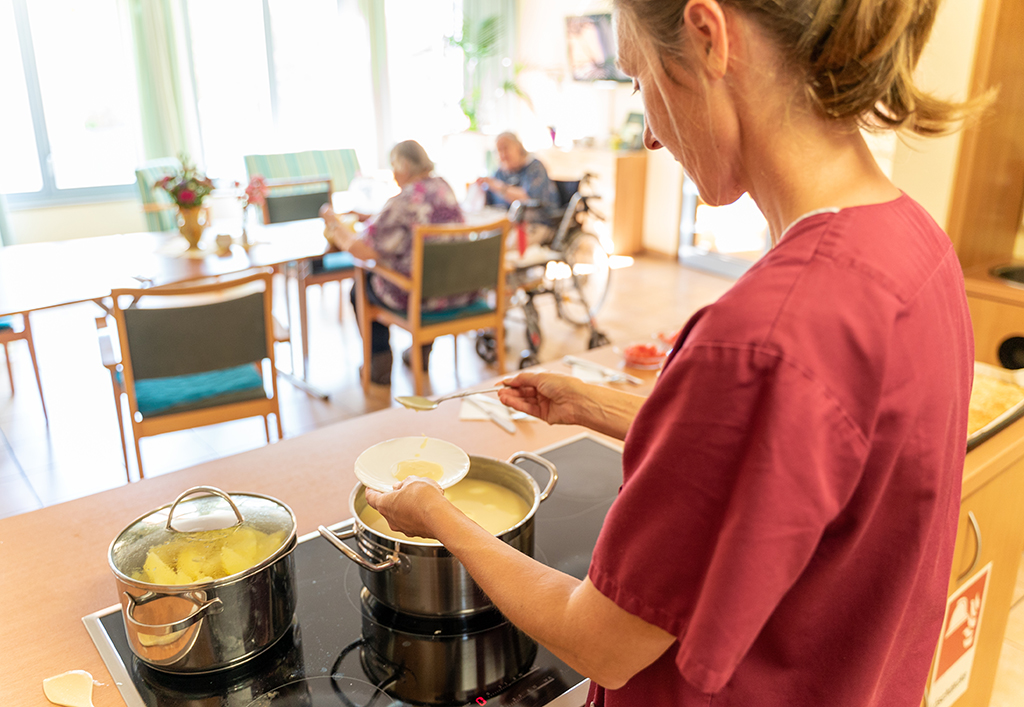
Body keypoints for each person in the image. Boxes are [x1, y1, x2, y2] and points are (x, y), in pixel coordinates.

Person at [365, 0, 981, 704]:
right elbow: (791, 461)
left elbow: (599, 640)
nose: (651, 133)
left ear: (708, 36)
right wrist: (598, 403)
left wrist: (438, 514)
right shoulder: (915, 245)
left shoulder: (765, 337)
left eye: (638, 77)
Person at [322, 140, 470, 385]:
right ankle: (420, 352)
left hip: (419, 297)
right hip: (456, 289)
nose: (393, 173)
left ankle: (379, 365)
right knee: (429, 271)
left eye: (394, 166)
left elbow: (361, 250)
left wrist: (334, 224)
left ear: (404, 165)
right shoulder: (444, 187)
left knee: (362, 285)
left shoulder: (404, 199)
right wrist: (375, 217)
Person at [476, 132, 561, 249]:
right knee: (480, 242)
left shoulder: (535, 167)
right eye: (498, 150)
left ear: (518, 147)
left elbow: (527, 198)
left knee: (504, 248)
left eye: (505, 148)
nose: (502, 154)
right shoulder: (500, 172)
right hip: (506, 225)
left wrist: (498, 187)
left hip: (536, 224)